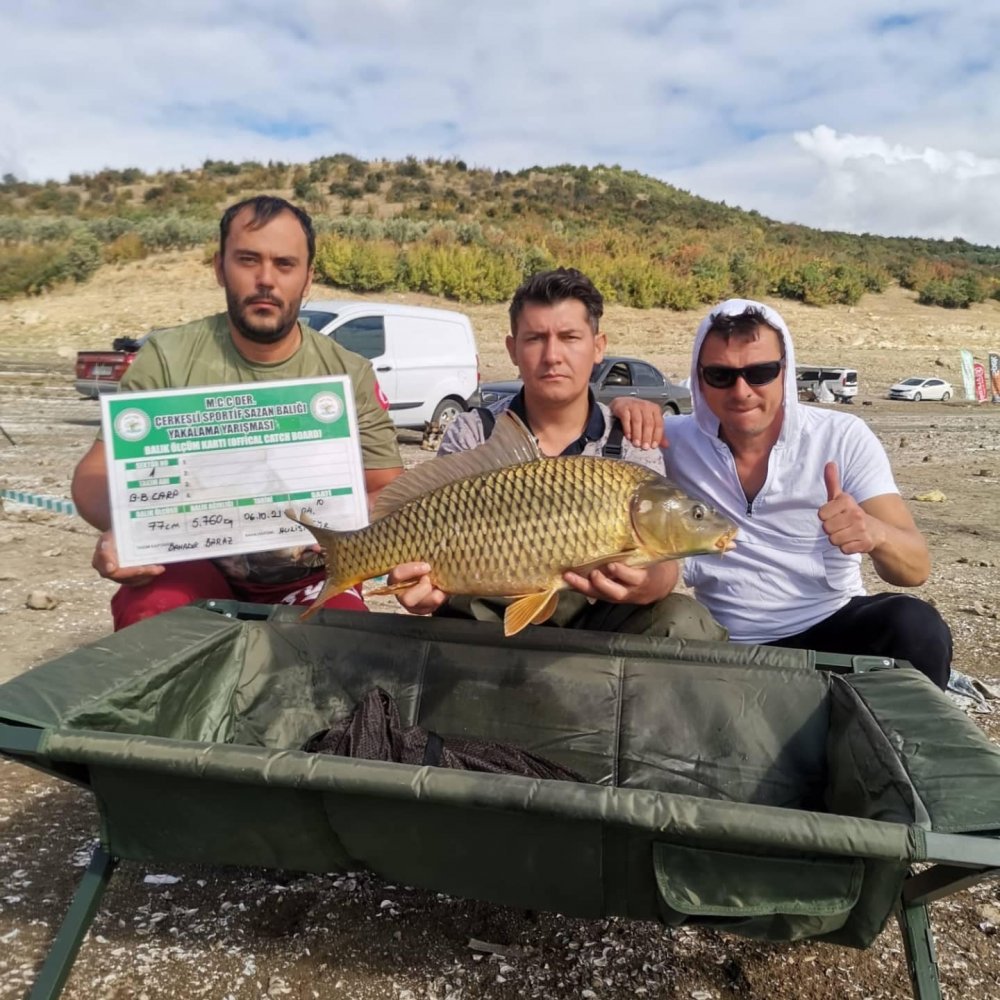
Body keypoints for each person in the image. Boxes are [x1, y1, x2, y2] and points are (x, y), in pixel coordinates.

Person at [71, 195, 404, 630]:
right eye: (248, 260)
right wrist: (131, 527)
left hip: (312, 572)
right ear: (219, 267)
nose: (266, 279)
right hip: (191, 562)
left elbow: (389, 489)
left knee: (342, 636)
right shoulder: (166, 358)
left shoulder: (349, 373)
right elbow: (92, 477)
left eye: (285, 264)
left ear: (307, 279)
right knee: (150, 610)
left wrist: (335, 523)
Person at [611, 297, 952, 688]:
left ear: (785, 372)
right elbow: (585, 436)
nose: (742, 391)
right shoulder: (669, 440)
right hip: (722, 640)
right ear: (699, 378)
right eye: (721, 376)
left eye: (760, 372)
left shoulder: (842, 437)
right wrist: (622, 405)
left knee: (916, 626)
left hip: (830, 623)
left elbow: (916, 568)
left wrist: (875, 533)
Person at [387, 267, 726, 640]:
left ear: (598, 347)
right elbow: (425, 531)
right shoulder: (474, 430)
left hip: (594, 620)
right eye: (535, 338)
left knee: (681, 617)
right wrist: (419, 590)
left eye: (569, 337)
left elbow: (661, 560)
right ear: (512, 349)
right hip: (487, 612)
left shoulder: (629, 437)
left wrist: (655, 583)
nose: (552, 356)